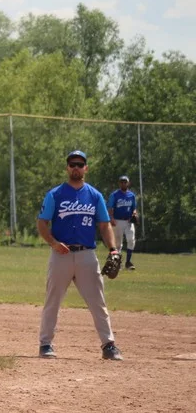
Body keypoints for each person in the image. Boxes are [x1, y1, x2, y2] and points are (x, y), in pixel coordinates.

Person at [36, 150, 123, 361]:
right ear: (67, 168)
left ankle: (108, 345)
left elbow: (104, 225)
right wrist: (53, 243)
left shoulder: (94, 195)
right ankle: (45, 344)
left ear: (86, 168)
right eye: (72, 164)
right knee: (53, 300)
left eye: (80, 164)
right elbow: (42, 223)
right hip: (61, 255)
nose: (76, 167)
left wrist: (113, 249)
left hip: (86, 255)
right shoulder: (55, 194)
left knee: (97, 301)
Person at [107, 175, 138, 270]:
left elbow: (134, 208)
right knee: (118, 244)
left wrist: (134, 214)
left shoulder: (131, 195)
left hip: (128, 221)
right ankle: (117, 263)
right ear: (119, 183)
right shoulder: (114, 195)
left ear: (128, 183)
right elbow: (110, 207)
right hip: (117, 220)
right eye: (122, 182)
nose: (123, 183)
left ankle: (128, 262)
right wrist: (111, 218)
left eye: (125, 182)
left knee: (131, 240)